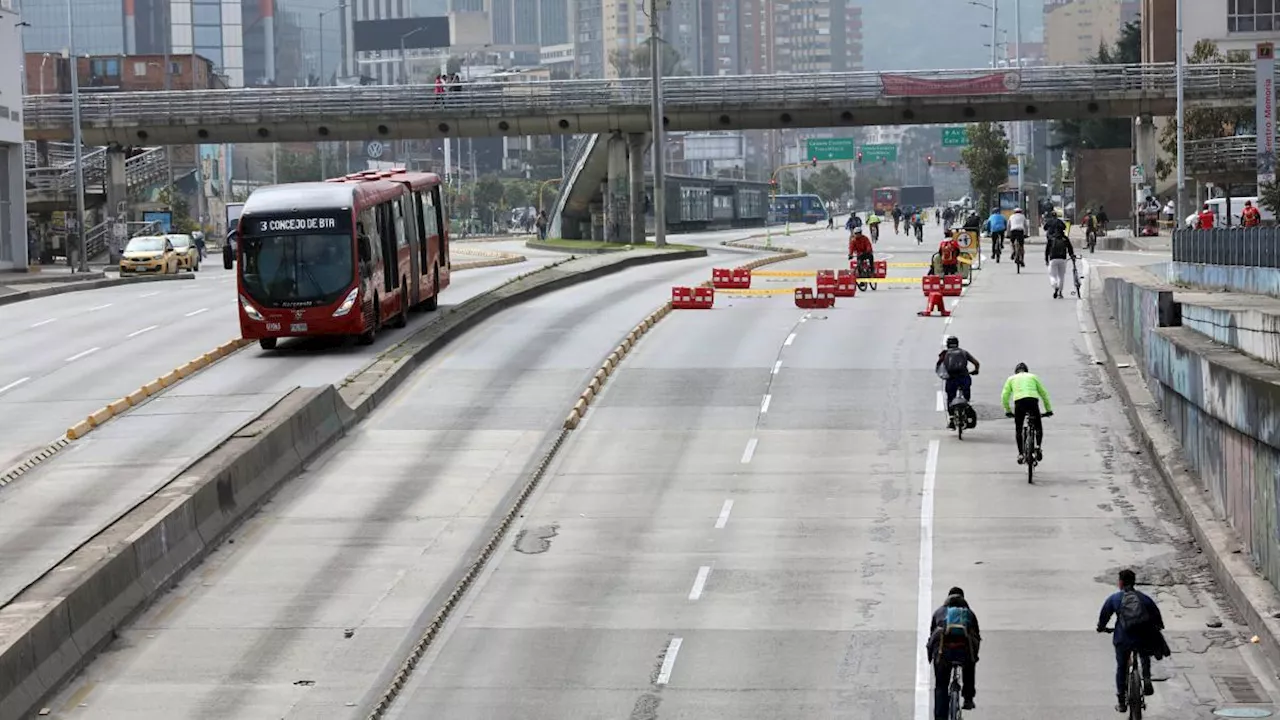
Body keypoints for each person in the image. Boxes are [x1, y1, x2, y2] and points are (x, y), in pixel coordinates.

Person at [1097, 569, 1170, 714]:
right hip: (1142, 638)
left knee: (1121, 667)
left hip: (1122, 640)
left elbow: (1104, 616)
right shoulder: (1144, 599)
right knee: (1144, 652)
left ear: (1120, 583)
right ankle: (1147, 677)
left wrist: (1102, 628)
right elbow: (1158, 619)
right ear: (1134, 582)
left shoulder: (1114, 599)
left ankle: (1121, 701)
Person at [927, 586, 981, 718]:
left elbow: (932, 637)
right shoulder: (969, 614)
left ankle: (941, 717)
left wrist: (931, 657)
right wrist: (974, 657)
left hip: (943, 654)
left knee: (941, 685)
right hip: (963, 653)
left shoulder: (939, 612)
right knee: (969, 665)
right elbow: (977, 637)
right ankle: (968, 698)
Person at [1000, 362, 1053, 464]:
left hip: (1019, 402)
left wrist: (1008, 411)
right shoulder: (1033, 377)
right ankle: (1038, 446)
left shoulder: (1011, 379)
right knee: (1038, 426)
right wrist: (1048, 410)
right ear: (1027, 371)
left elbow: (1004, 396)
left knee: (1019, 429)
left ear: (1016, 372)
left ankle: (1020, 454)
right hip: (1032, 401)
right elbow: (1044, 393)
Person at [936, 336, 980, 429]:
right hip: (964, 377)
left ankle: (952, 419)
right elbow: (976, 363)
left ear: (948, 344)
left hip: (951, 379)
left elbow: (940, 367)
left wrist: (944, 375)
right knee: (966, 395)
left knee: (950, 398)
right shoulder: (964, 352)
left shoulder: (945, 353)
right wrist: (976, 370)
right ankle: (966, 412)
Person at [1044, 218, 1076, 299]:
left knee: (1052, 275)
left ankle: (1055, 286)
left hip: (1053, 258)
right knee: (1061, 276)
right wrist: (1072, 256)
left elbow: (1047, 250)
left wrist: (1046, 259)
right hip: (1063, 259)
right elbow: (1070, 249)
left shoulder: (1051, 239)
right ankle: (1060, 292)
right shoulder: (1065, 238)